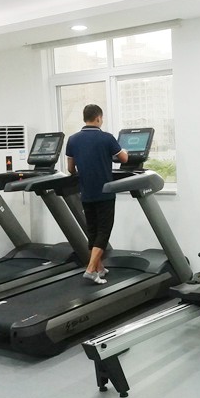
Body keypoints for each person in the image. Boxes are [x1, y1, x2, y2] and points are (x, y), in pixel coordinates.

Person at [65, 104, 128, 284]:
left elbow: (71, 169)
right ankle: (91, 269)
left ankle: (99, 267)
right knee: (104, 230)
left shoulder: (73, 139)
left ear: (84, 118)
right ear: (99, 118)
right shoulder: (106, 138)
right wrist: (125, 152)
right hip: (104, 192)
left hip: (86, 192)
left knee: (92, 230)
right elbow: (124, 159)